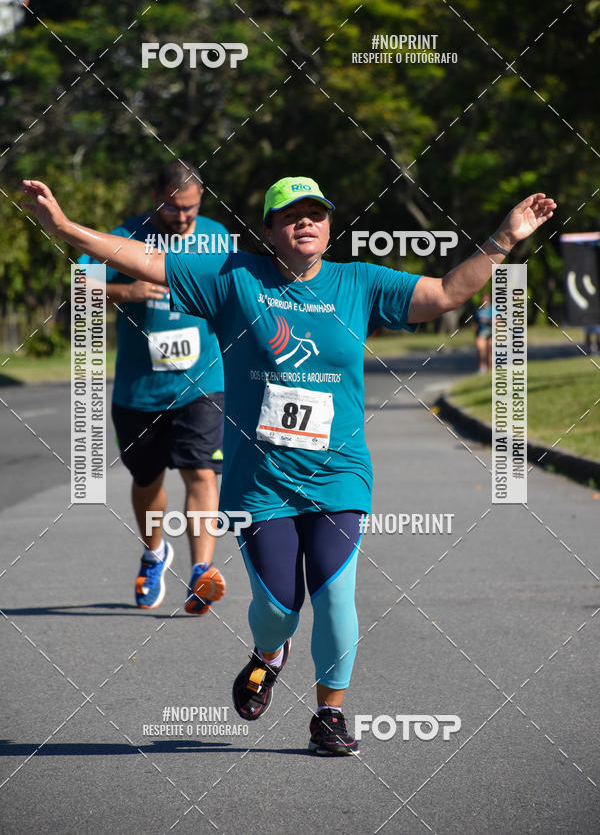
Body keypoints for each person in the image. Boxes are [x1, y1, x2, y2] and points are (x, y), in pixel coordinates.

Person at [22, 175, 555, 755]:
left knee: (335, 596)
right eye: (291, 215)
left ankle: (329, 714)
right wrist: (67, 228)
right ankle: (269, 653)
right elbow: (145, 261)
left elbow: (450, 291)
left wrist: (505, 237)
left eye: (317, 214)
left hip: (338, 473)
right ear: (270, 229)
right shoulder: (234, 278)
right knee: (278, 609)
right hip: (260, 482)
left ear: (329, 225)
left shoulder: (360, 281)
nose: (306, 222)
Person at [79, 161, 230, 616]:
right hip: (139, 387)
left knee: (202, 471)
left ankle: (201, 572)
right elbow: (78, 289)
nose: (182, 217)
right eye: (172, 207)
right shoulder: (125, 236)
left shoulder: (217, 236)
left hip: (203, 381)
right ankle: (153, 552)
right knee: (147, 481)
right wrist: (127, 292)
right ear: (154, 196)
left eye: (190, 208)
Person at [474, 292, 494, 372]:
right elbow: (475, 322)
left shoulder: (493, 309)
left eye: (486, 299)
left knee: (490, 347)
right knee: (480, 348)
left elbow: (498, 321)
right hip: (481, 333)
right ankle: (482, 366)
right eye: (483, 299)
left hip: (491, 332)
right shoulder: (478, 310)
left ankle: (490, 367)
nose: (484, 301)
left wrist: (487, 321)